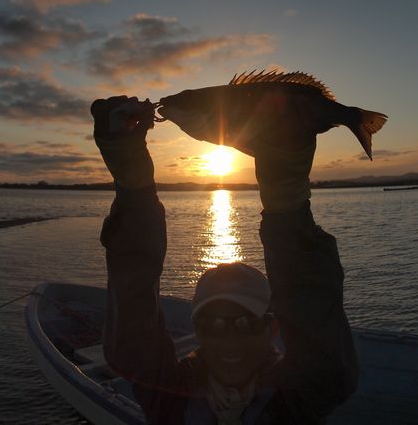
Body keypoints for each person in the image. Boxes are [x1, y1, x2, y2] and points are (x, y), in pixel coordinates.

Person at [91, 94, 358, 424]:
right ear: (196, 330)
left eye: (246, 322)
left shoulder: (304, 393)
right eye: (212, 324)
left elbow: (308, 295)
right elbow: (133, 300)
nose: (229, 339)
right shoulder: (166, 391)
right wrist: (129, 172)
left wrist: (286, 196)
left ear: (272, 327)